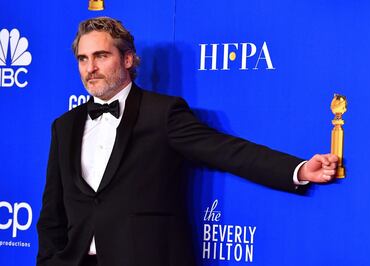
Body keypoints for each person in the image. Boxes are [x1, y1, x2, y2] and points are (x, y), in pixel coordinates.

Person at [36, 17, 338, 266]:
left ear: (127, 58)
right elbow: (52, 211)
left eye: (101, 56)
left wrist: (296, 169)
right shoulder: (64, 126)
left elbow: (226, 150)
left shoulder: (161, 113)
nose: (91, 68)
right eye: (83, 59)